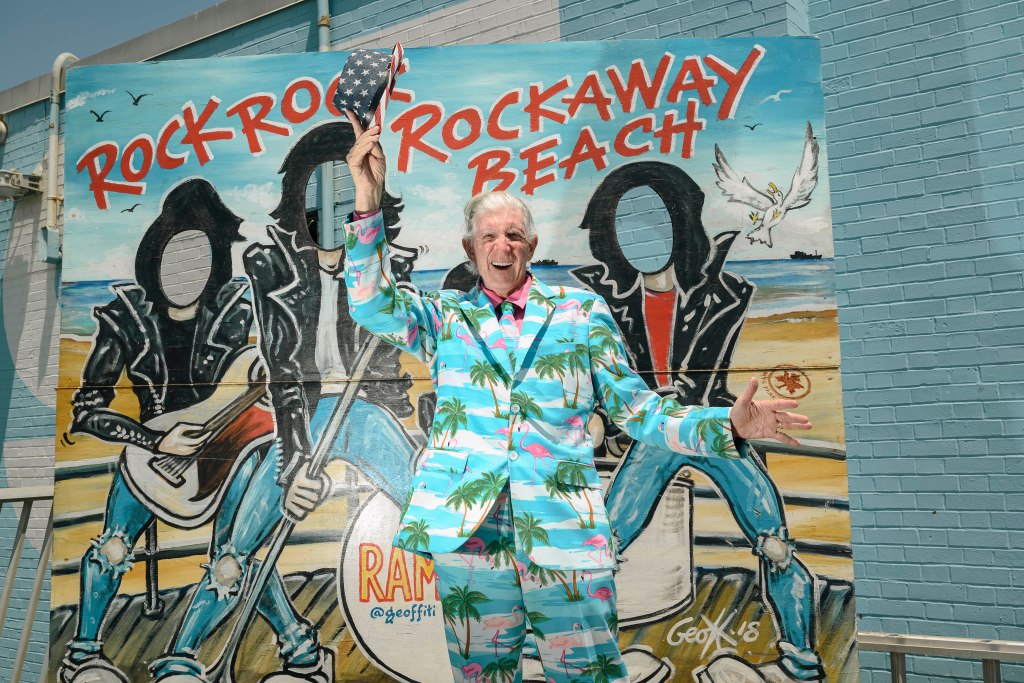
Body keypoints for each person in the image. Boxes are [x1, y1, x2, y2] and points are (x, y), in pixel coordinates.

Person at [341, 111, 813, 683]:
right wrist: (366, 200)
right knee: (482, 675)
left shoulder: (580, 314)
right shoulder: (446, 319)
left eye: (514, 235)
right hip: (470, 535)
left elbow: (639, 411)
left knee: (587, 672)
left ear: (532, 245)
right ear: (470, 248)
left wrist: (728, 426)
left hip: (564, 531)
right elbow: (368, 300)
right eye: (489, 236)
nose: (502, 246)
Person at [152, 122, 419, 683]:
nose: (333, 212)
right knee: (238, 544)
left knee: (428, 510)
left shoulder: (386, 267)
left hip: (368, 414)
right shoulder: (270, 270)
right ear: (298, 201)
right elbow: (283, 376)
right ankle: (186, 657)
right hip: (300, 420)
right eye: (319, 197)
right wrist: (296, 465)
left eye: (346, 196)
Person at [575, 164, 824, 682]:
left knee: (776, 545)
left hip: (713, 426)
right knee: (604, 547)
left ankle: (799, 666)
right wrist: (600, 421)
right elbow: (603, 383)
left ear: (680, 221)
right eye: (626, 224)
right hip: (653, 435)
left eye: (654, 219)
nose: (641, 236)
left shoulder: (722, 292)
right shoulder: (600, 306)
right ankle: (591, 658)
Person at [58, 179, 256, 683]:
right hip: (150, 457)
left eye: (200, 258)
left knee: (232, 561)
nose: (184, 272)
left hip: (221, 457)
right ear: (154, 255)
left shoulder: (234, 312)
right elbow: (86, 409)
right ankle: (82, 656)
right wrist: (152, 440)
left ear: (215, 265)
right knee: (112, 549)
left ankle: (274, 651)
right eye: (174, 257)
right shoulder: (126, 318)